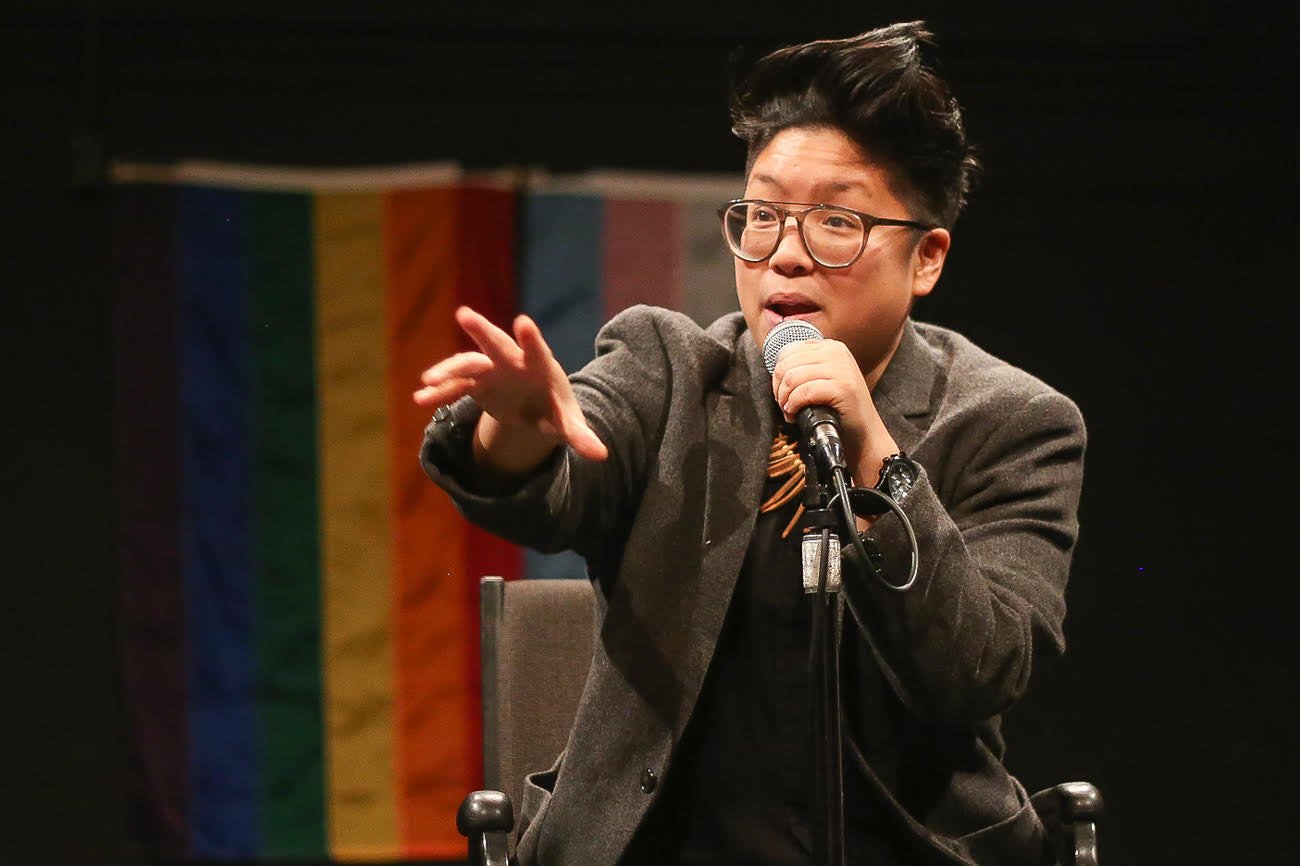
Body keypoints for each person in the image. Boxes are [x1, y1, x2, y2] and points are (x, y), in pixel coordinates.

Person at [415, 20, 1086, 866]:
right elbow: (561, 489)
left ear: (927, 257)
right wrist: (512, 432)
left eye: (834, 222)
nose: (784, 257)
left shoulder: (1013, 423)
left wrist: (876, 454)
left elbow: (977, 670)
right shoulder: (666, 370)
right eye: (762, 215)